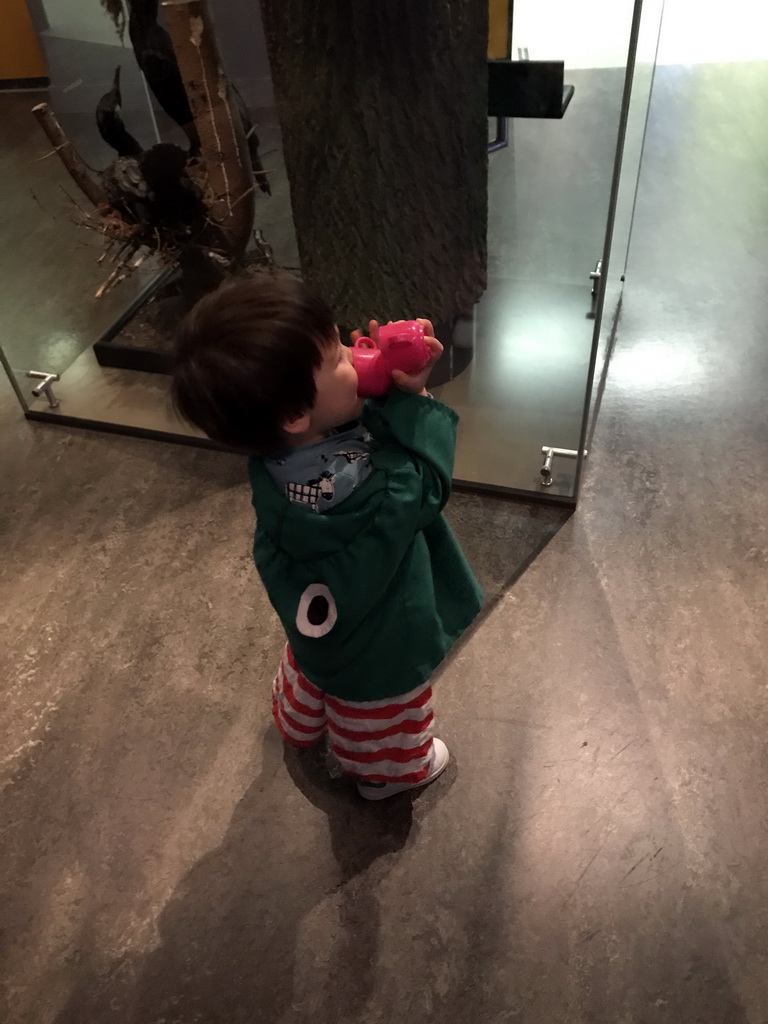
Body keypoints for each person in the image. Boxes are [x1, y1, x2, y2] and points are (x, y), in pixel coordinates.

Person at [172, 275, 482, 800]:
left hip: (316, 609)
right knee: (379, 695)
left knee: (314, 650)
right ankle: (386, 771)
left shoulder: (273, 462)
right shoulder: (382, 497)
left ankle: (299, 720)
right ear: (295, 414)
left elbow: (341, 428)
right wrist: (413, 397)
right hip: (380, 635)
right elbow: (425, 479)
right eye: (336, 355)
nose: (351, 352)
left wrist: (370, 384)